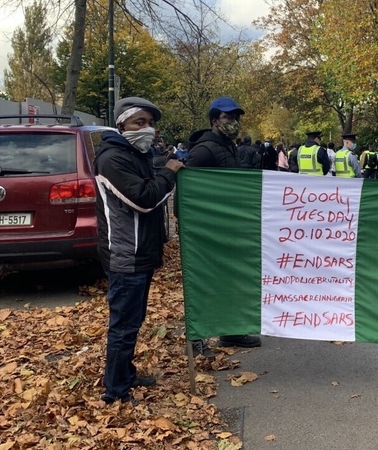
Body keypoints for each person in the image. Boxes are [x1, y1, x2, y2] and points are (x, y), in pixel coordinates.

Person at [94, 97, 184, 405]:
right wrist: (169, 173)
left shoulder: (136, 155)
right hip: (125, 254)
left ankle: (125, 375)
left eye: (150, 123)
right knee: (123, 326)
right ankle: (115, 392)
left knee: (133, 321)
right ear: (122, 125)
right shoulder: (112, 159)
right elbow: (144, 199)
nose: (147, 129)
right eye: (139, 122)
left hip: (140, 253)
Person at [186, 97, 263, 352]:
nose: (234, 122)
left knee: (230, 280)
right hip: (208, 230)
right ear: (214, 120)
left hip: (229, 227)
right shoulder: (204, 150)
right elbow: (186, 190)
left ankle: (231, 331)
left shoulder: (228, 147)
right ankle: (196, 338)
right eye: (228, 117)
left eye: (236, 117)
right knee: (206, 282)